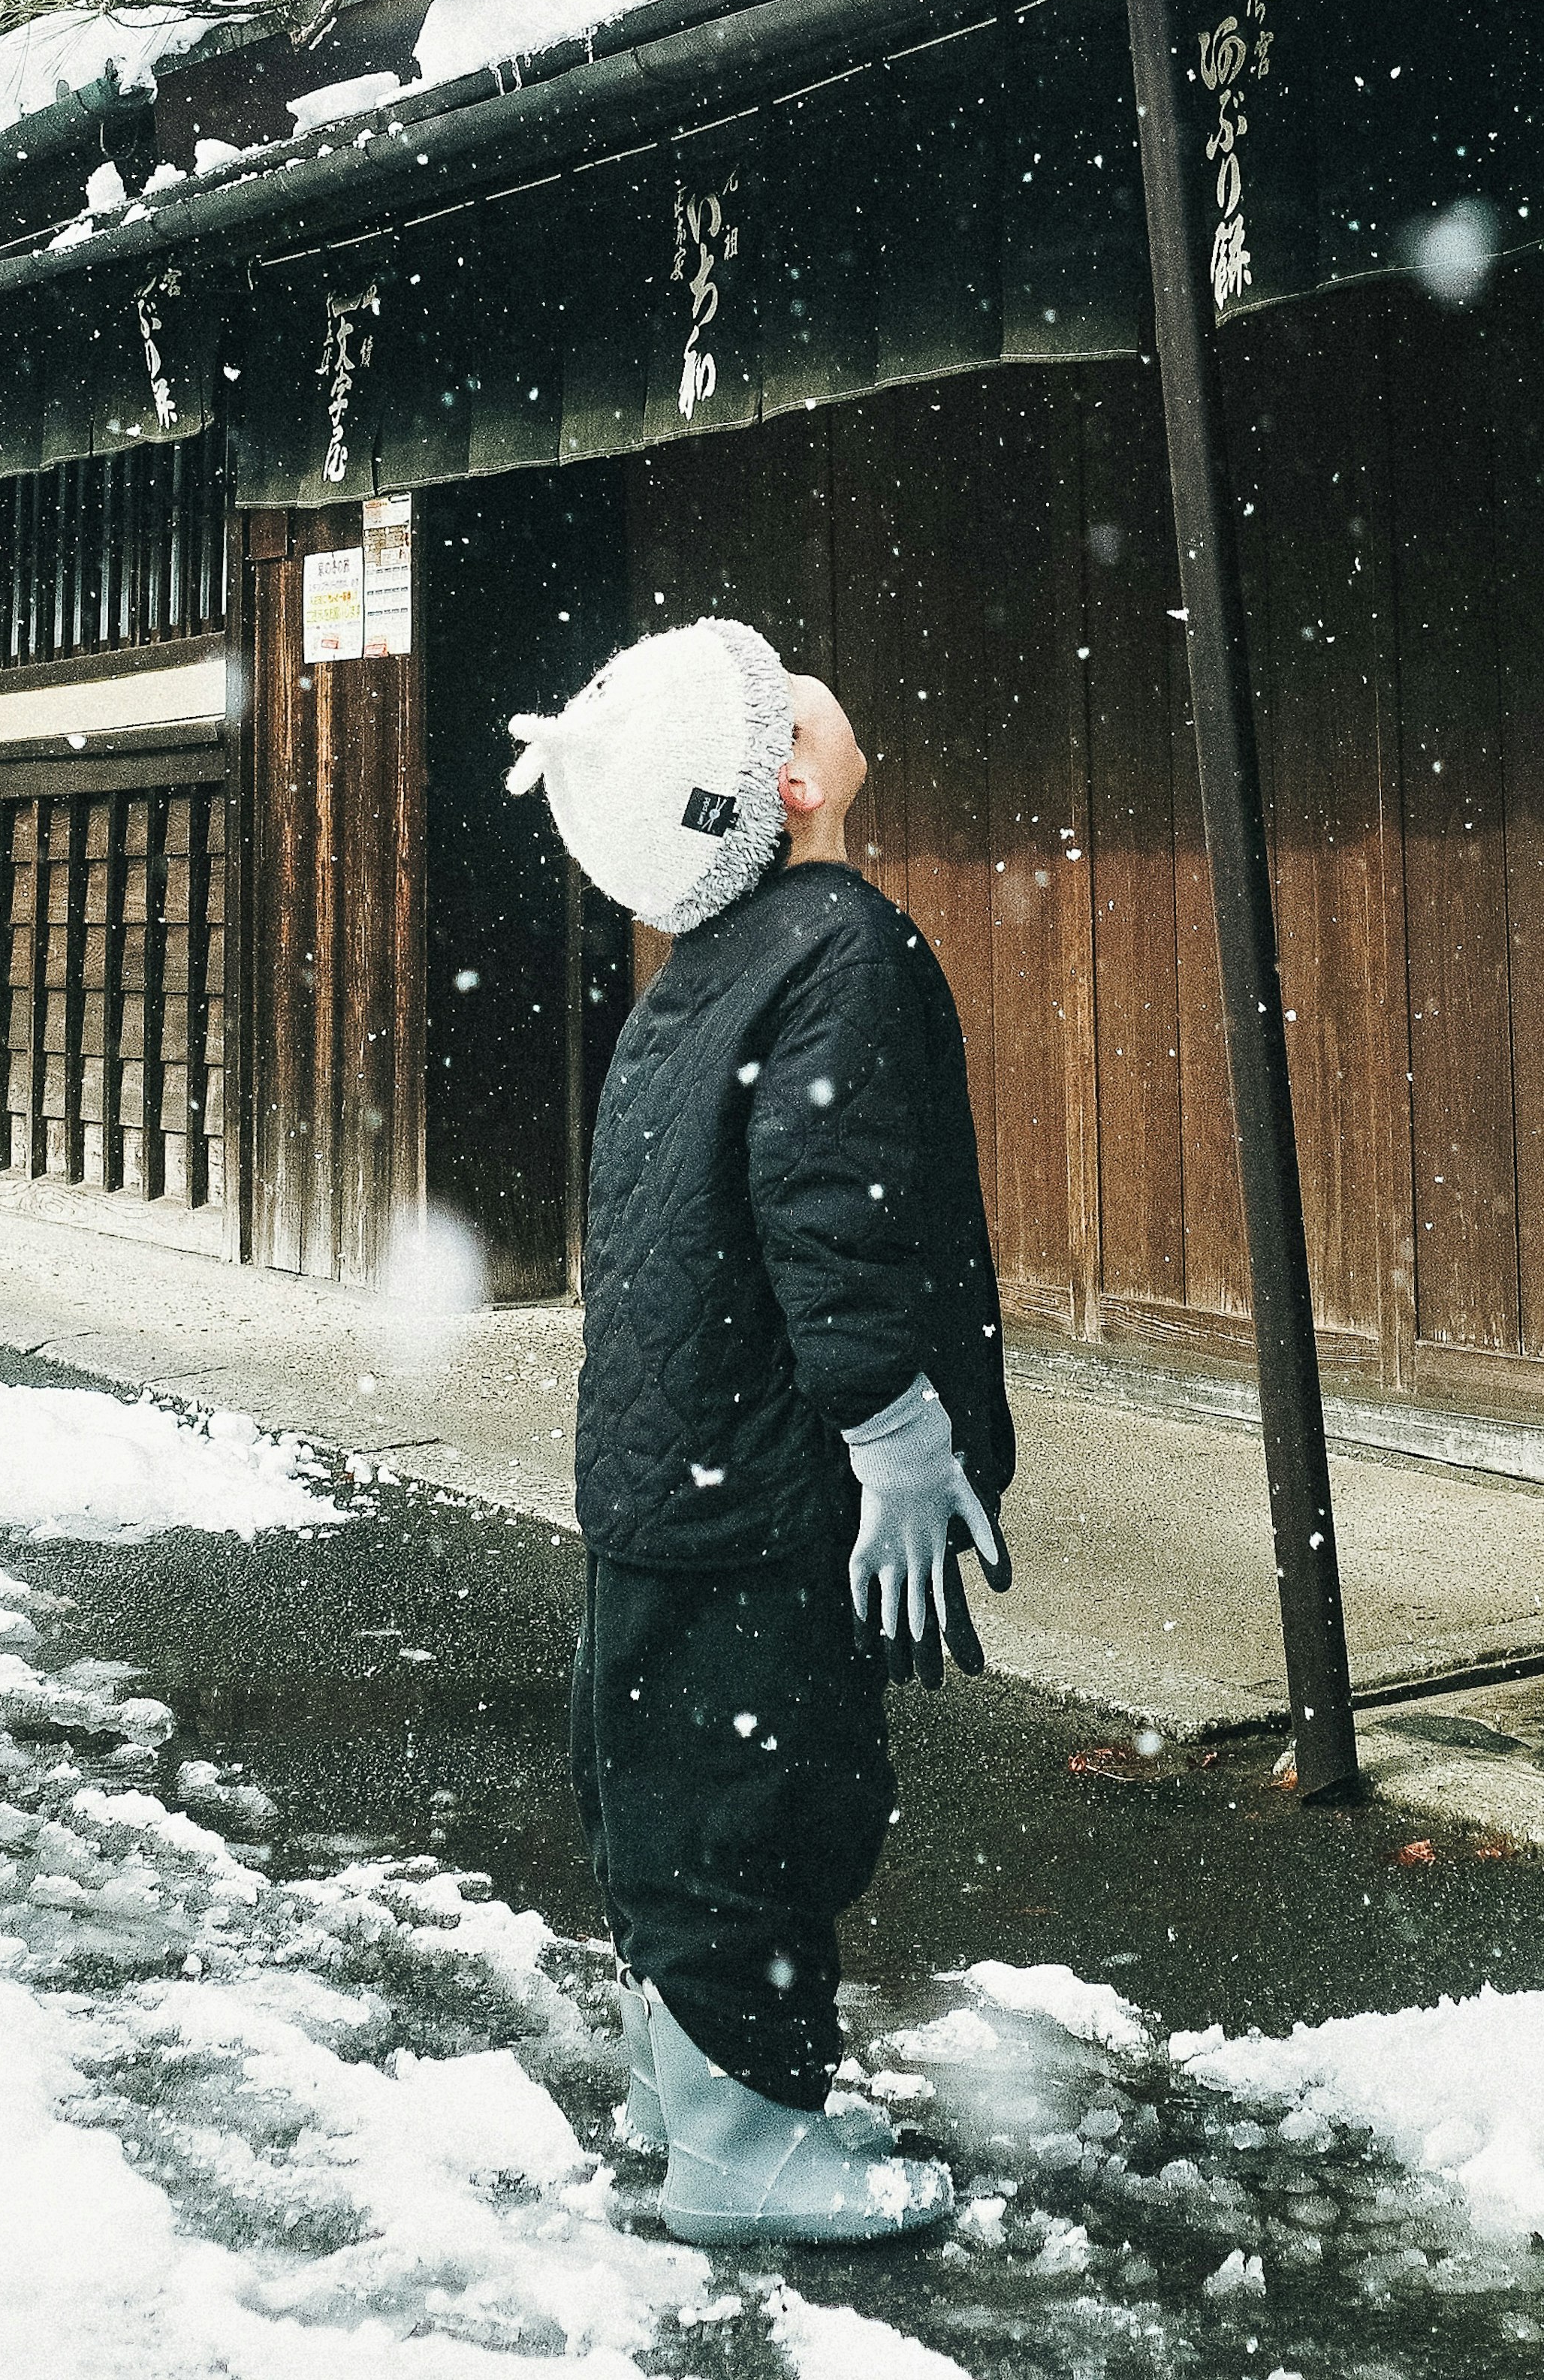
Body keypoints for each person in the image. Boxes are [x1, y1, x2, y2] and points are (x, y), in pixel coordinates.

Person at [507, 615, 1014, 2249]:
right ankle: (744, 2155)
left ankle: (689, 2095)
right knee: (767, 1803)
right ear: (788, 781)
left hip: (669, 1480)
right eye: (782, 687)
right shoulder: (841, 948)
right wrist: (897, 1435)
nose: (813, 682)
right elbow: (833, 1218)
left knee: (663, 1796)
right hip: (774, 1486)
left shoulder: (705, 969)